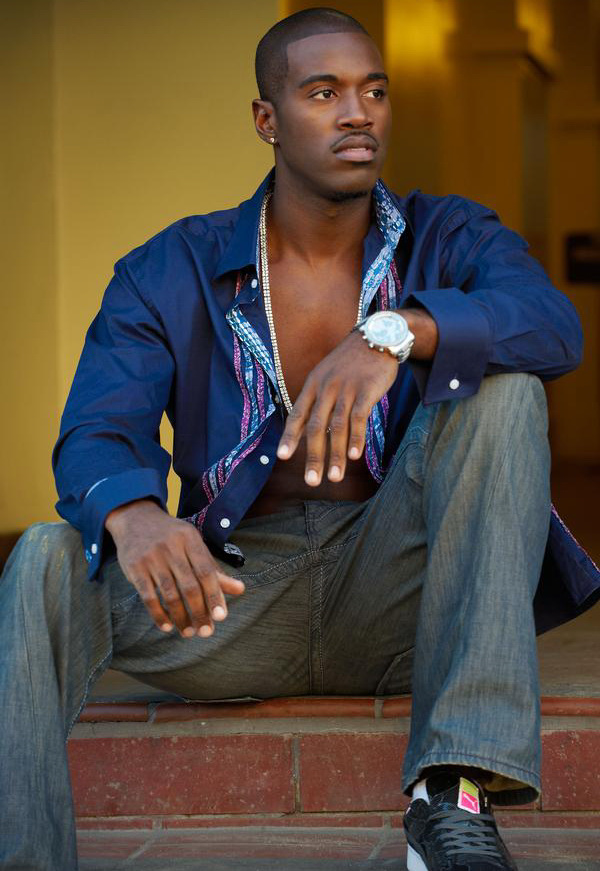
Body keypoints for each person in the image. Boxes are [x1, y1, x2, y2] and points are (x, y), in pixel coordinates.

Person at [1, 7, 599, 871]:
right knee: (42, 558)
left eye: (374, 92)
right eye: (324, 93)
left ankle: (452, 796)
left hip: (401, 593)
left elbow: (552, 326)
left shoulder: (450, 235)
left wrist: (400, 332)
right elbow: (97, 426)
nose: (358, 113)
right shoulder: (171, 267)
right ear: (267, 119)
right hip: (227, 602)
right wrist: (136, 517)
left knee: (504, 389)